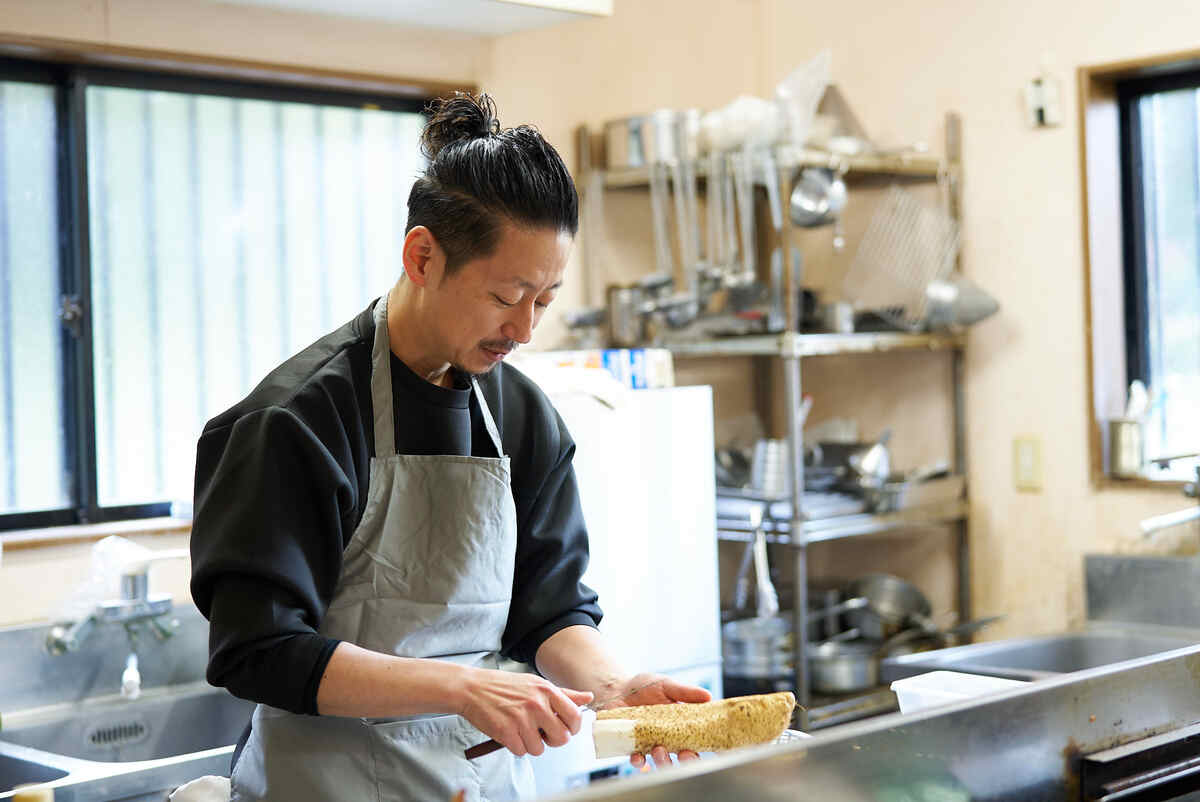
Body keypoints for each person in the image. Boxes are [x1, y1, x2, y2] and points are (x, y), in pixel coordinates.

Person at [189, 92, 711, 802]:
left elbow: (549, 608)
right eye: (507, 297)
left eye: (545, 300)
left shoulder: (523, 416)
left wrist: (615, 687)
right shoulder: (296, 422)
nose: (525, 330)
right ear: (423, 256)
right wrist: (463, 688)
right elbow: (258, 649)